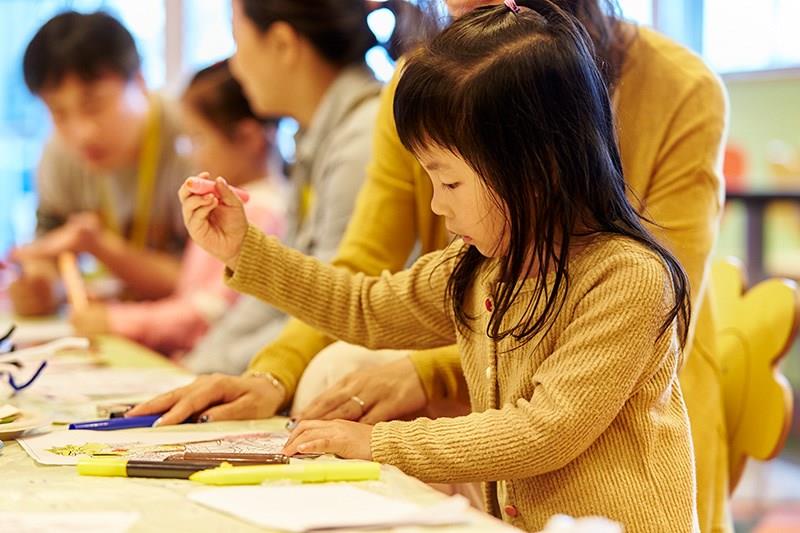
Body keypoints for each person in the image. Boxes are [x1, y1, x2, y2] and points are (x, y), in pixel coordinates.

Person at [133, 0, 730, 530]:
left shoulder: (628, 277)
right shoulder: (482, 267)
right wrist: (245, 251)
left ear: (535, 170)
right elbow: (363, 306)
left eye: (450, 181)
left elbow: (542, 430)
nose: (438, 205)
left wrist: (379, 443)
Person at [169, 0, 381, 374]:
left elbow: (335, 308)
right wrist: (200, 365)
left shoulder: (362, 140)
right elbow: (281, 294)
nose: (235, 66)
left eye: (237, 42)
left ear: (283, 44)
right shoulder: (317, 137)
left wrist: (209, 368)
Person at [70, 60, 286, 356]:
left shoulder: (261, 213)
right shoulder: (240, 205)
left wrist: (116, 320)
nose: (193, 156)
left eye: (198, 139)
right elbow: (191, 296)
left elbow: (207, 313)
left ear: (248, 137)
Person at [10, 11, 193, 314]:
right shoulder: (58, 153)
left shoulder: (195, 138)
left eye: (94, 105)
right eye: (58, 113)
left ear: (139, 81)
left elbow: (204, 283)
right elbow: (49, 250)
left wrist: (98, 245)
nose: (82, 133)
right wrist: (42, 284)